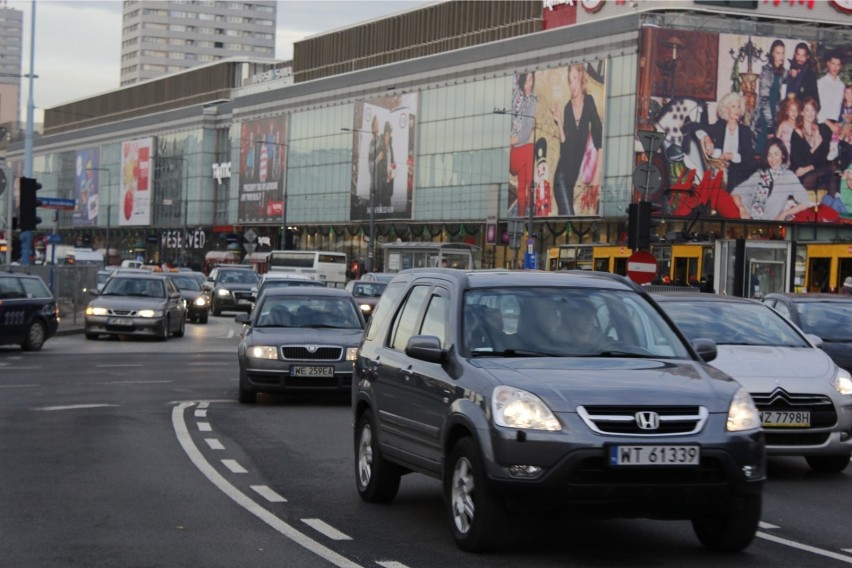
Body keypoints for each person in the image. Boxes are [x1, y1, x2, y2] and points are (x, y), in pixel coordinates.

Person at [550, 63, 603, 216]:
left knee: (565, 224)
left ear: (580, 76)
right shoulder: (567, 108)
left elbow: (599, 139)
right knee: (569, 218)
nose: (572, 83)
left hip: (572, 179)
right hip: (561, 176)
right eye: (569, 80)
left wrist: (596, 177)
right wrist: (558, 121)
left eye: (574, 78)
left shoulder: (589, 102)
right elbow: (565, 148)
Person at [731, 139, 815, 220]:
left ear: (783, 155)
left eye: (776, 154)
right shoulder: (759, 174)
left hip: (768, 224)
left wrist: (785, 213)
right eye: (769, 154)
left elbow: (805, 201)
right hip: (747, 218)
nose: (772, 159)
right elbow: (736, 192)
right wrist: (742, 209)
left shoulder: (788, 176)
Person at [695, 91, 757, 191]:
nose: (737, 110)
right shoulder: (720, 126)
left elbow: (750, 158)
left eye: (738, 106)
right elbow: (695, 128)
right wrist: (707, 138)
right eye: (733, 106)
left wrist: (733, 156)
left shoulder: (745, 130)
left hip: (739, 174)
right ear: (726, 109)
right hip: (720, 171)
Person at [790, 97, 840, 202]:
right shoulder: (797, 133)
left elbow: (823, 158)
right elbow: (797, 162)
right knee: (814, 178)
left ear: (816, 112)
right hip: (802, 175)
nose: (810, 113)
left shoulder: (821, 129)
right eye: (807, 110)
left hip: (817, 170)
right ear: (802, 113)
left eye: (813, 110)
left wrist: (809, 167)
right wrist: (815, 146)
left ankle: (832, 209)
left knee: (833, 172)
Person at [509, 72, 537, 217]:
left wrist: (509, 140)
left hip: (517, 149)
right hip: (510, 154)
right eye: (526, 81)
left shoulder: (533, 102)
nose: (529, 85)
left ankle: (522, 216)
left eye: (531, 80)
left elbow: (525, 133)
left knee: (523, 185)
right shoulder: (514, 97)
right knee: (530, 150)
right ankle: (531, 203)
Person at [753, 39, 787, 156]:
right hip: (765, 117)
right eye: (778, 53)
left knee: (771, 153)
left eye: (782, 53)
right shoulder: (767, 71)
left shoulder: (781, 72)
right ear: (772, 53)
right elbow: (764, 100)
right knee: (763, 152)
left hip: (774, 116)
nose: (781, 56)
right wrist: (770, 126)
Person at [817, 52, 844, 127]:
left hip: (837, 125)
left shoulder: (842, 86)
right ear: (828, 64)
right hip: (823, 123)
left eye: (838, 65)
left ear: (840, 66)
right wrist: (830, 124)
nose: (835, 67)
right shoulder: (821, 83)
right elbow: (816, 107)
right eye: (833, 64)